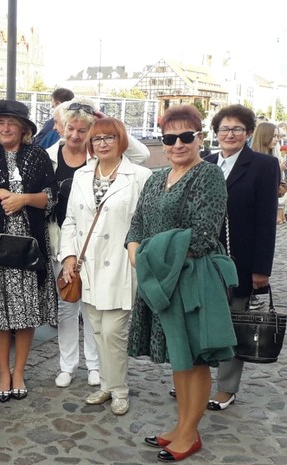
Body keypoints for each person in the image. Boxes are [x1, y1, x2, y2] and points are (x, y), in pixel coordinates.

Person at [127, 104, 236, 462]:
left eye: (186, 136)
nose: (177, 144)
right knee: (179, 356)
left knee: (195, 357)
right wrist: (133, 246)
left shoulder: (208, 175)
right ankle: (180, 425)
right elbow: (138, 222)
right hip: (160, 279)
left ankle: (190, 432)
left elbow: (201, 235)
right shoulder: (156, 177)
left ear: (199, 138)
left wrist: (147, 255)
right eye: (169, 138)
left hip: (192, 281)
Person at [47, 98, 149, 389]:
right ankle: (67, 364)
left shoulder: (101, 157)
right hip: (64, 240)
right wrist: (67, 253)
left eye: (83, 130)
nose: (75, 134)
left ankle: (95, 365)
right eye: (70, 128)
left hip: (102, 245)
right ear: (60, 128)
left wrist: (105, 121)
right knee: (67, 305)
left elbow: (140, 154)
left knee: (96, 308)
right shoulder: (50, 156)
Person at [0, 100, 58, 401]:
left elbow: (51, 198)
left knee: (26, 312)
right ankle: (3, 373)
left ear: (23, 129)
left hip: (28, 247)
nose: (5, 128)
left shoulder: (38, 156)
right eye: (0, 123)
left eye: (11, 123)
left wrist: (23, 199)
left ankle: (19, 372)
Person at [205, 105, 280, 412]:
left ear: (248, 133)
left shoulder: (264, 165)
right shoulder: (206, 162)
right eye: (224, 128)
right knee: (202, 321)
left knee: (232, 322)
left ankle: (226, 387)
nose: (230, 134)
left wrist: (261, 268)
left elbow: (266, 220)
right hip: (203, 261)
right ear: (216, 133)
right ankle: (196, 380)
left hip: (240, 261)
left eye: (237, 129)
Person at [250, 122, 284, 224]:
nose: (277, 139)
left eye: (277, 136)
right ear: (264, 135)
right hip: (253, 211)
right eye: (274, 136)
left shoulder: (273, 158)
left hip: (268, 211)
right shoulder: (250, 159)